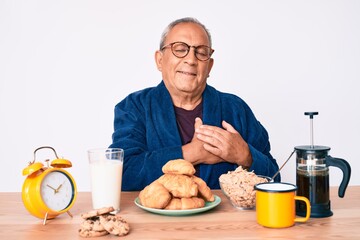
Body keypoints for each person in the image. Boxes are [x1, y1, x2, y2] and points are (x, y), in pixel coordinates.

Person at [110, 17, 280, 191]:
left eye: (201, 52)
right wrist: (192, 153)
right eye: (180, 49)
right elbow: (122, 175)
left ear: (210, 66)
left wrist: (245, 155)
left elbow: (275, 178)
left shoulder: (235, 108)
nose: (191, 60)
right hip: (156, 217)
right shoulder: (134, 107)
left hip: (224, 217)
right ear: (159, 60)